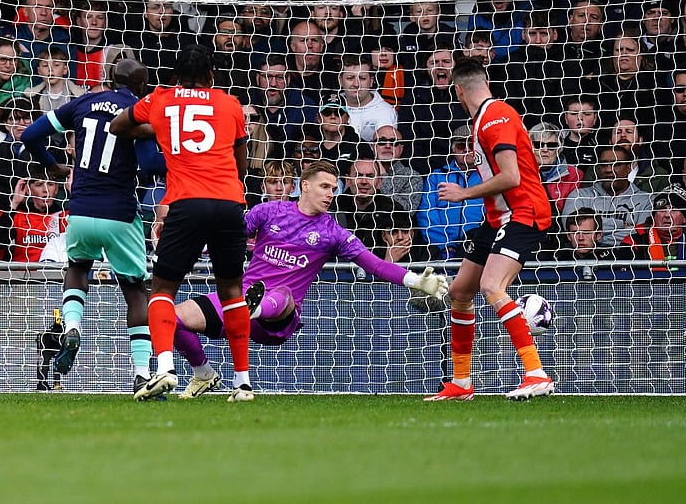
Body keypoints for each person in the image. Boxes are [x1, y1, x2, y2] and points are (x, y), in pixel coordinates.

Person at [171, 160, 449, 398]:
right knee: (174, 318)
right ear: (304, 185)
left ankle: (253, 308)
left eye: (333, 189)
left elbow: (375, 265)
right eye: (324, 186)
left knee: (282, 293)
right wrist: (186, 244)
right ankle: (204, 373)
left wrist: (415, 280)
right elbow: (227, 237)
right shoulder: (268, 212)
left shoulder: (333, 233)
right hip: (238, 299)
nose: (330, 194)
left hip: (278, 317)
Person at [110, 44, 254, 401]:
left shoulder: (160, 99)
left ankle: (164, 368)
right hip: (228, 202)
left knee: (162, 289)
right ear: (211, 75)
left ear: (176, 75)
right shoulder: (230, 104)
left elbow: (118, 125)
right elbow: (242, 164)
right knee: (232, 291)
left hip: (186, 202)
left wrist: (157, 130)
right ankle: (242, 383)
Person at [21, 58, 162, 396]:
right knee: (134, 291)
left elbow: (30, 135)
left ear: (109, 78)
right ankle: (142, 374)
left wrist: (53, 167)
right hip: (120, 213)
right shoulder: (138, 110)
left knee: (78, 267)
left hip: (81, 209)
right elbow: (149, 165)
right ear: (142, 86)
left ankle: (72, 326)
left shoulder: (82, 102)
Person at [425, 59, 556, 402]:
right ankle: (461, 383)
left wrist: (463, 193)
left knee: (491, 286)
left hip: (524, 212)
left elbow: (511, 177)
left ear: (458, 91)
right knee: (460, 291)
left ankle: (536, 373)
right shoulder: (484, 118)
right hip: (498, 217)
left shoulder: (495, 117)